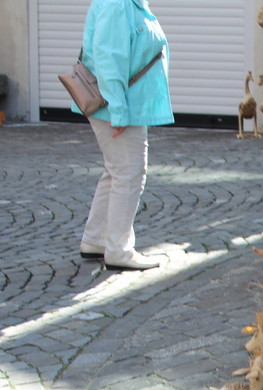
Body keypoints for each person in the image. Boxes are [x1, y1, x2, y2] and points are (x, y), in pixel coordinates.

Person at [77, 0, 173, 271]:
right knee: (130, 172)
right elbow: (108, 57)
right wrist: (118, 111)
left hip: (128, 104)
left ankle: (95, 240)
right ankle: (119, 250)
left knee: (117, 170)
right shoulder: (117, 3)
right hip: (118, 107)